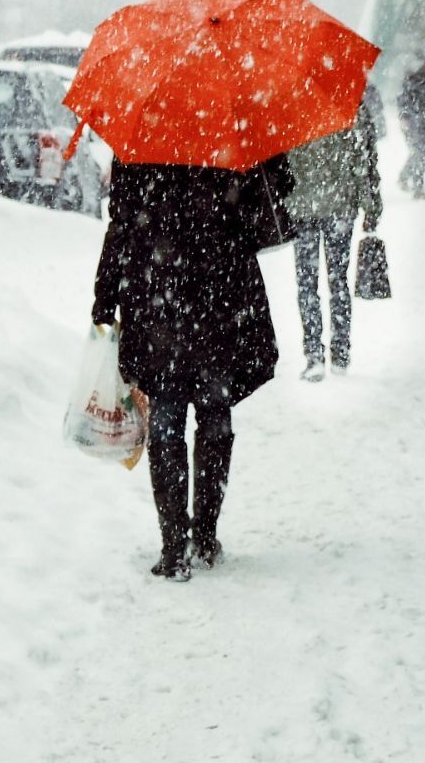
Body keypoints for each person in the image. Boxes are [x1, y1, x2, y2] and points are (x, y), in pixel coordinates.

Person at [91, 158, 287, 582]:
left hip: (157, 297)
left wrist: (106, 294)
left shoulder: (140, 140)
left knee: (167, 415)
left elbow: (121, 222)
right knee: (214, 415)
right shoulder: (231, 137)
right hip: (217, 298)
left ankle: (174, 544)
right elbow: (261, 220)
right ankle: (205, 534)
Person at [285, 85, 384, 380]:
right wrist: (372, 206)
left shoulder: (291, 109)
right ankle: (340, 353)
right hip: (341, 206)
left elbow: (282, 163)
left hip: (303, 207)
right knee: (337, 280)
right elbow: (367, 159)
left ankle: (314, 354)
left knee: (306, 283)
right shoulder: (351, 105)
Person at [396, 57, 425, 196]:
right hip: (414, 124)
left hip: (424, 124)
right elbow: (404, 99)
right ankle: (417, 187)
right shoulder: (416, 81)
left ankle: (406, 178)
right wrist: (404, 116)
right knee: (419, 154)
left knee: (419, 154)